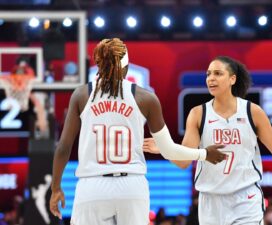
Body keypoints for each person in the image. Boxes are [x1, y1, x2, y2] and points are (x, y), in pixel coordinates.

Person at [49, 38, 226, 225]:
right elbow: (170, 150)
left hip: (92, 185)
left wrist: (55, 188)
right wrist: (204, 153)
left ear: (99, 64)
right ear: (126, 67)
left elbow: (63, 148)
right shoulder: (146, 98)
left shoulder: (81, 95)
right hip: (131, 186)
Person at [143, 56, 272, 225]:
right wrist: (165, 148)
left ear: (232, 79)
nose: (211, 78)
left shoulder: (252, 112)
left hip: (246, 198)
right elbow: (184, 161)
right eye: (208, 74)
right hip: (211, 201)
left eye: (218, 73)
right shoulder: (198, 113)